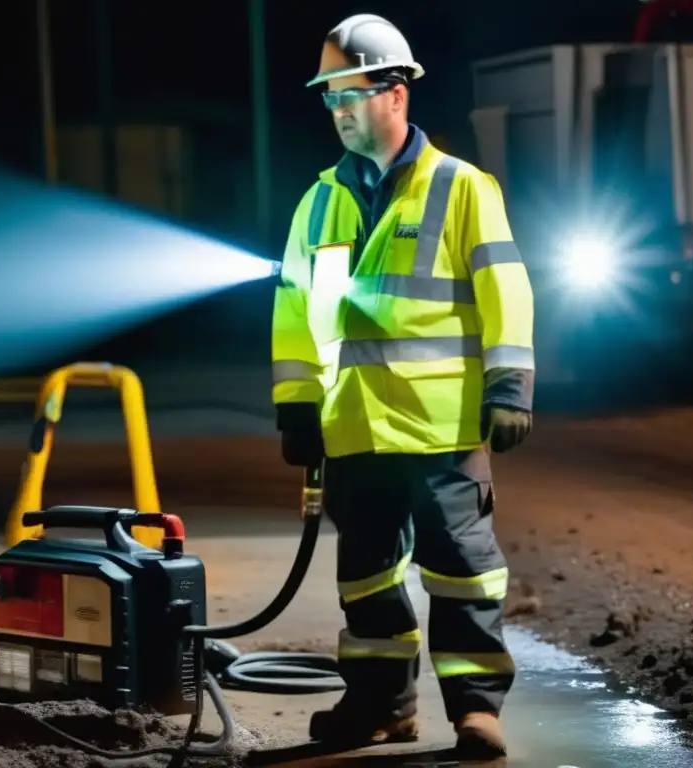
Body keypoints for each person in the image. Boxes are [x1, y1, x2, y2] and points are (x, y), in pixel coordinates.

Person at [270, 13, 535, 761]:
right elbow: (295, 313)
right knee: (367, 579)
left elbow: (505, 291)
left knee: (464, 577)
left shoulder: (460, 188)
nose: (338, 110)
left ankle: (476, 712)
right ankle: (381, 706)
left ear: (395, 92)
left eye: (349, 94)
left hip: (442, 431)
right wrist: (295, 404)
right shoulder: (318, 202)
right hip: (353, 430)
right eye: (329, 98)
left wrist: (510, 384)